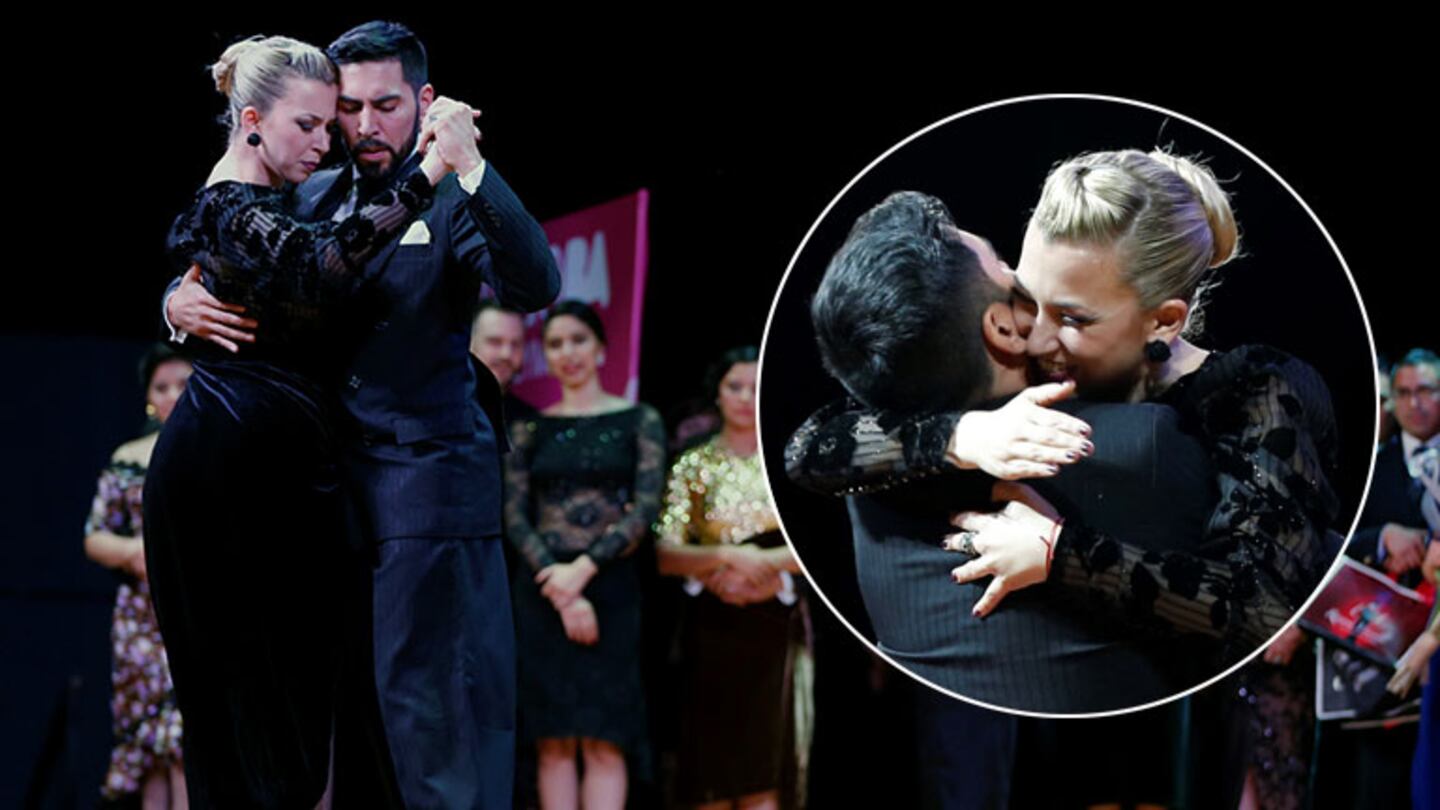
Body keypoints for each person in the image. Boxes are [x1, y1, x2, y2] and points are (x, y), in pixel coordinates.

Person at [163, 22, 562, 808]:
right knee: (340, 726)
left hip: (424, 490)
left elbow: (534, 284)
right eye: (347, 108)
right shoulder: (306, 187)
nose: (364, 126)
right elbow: (239, 247)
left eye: (386, 105)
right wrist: (176, 303)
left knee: (432, 724)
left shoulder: (451, 196)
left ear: (424, 101)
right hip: (315, 497)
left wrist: (473, 166)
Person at [503, 301, 666, 810]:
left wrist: (583, 571)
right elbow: (513, 515)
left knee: (604, 740)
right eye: (554, 344)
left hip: (612, 589)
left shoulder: (640, 419)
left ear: (600, 348)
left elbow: (643, 510)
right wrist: (557, 581)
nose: (567, 353)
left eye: (577, 340)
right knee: (552, 743)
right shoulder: (530, 428)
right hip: (542, 593)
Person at [655, 347, 813, 810]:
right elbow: (665, 554)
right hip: (711, 629)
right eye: (735, 386)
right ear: (717, 394)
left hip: (776, 629)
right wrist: (725, 559)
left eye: (756, 387)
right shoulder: (693, 464)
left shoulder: (791, 463)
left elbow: (816, 550)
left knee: (767, 763)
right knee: (710, 771)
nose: (746, 397)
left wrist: (764, 572)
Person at [84, 345, 191, 808]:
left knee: (186, 744)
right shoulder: (128, 457)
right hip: (140, 622)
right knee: (148, 748)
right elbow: (94, 535)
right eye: (161, 388)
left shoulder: (212, 450)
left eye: (183, 385)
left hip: (195, 611)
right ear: (148, 397)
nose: (171, 396)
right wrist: (134, 551)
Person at [472, 297, 539, 422]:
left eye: (516, 344)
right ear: (469, 343)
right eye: (495, 342)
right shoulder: (437, 409)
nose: (506, 354)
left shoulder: (529, 421)